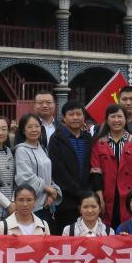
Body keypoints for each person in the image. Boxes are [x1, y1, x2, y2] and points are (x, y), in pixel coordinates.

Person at [90, 104, 132, 227]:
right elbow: (96, 171)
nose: (116, 120)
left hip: (130, 195)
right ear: (107, 120)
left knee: (128, 229)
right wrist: (99, 197)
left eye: (119, 117)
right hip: (106, 194)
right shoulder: (99, 143)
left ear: (125, 120)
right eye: (113, 117)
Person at [49, 101, 94, 235]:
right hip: (66, 200)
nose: (75, 117)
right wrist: (79, 192)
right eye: (71, 114)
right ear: (63, 117)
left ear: (84, 117)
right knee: (67, 237)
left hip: (88, 199)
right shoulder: (56, 138)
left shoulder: (89, 138)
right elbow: (58, 170)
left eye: (79, 114)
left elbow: (93, 165)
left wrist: (88, 192)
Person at [15, 113, 61, 224]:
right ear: (23, 131)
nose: (34, 130)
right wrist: (48, 189)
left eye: (37, 126)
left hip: (46, 204)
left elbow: (48, 175)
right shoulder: (21, 150)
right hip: (32, 206)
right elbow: (25, 177)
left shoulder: (43, 149)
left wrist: (53, 193)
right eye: (29, 127)